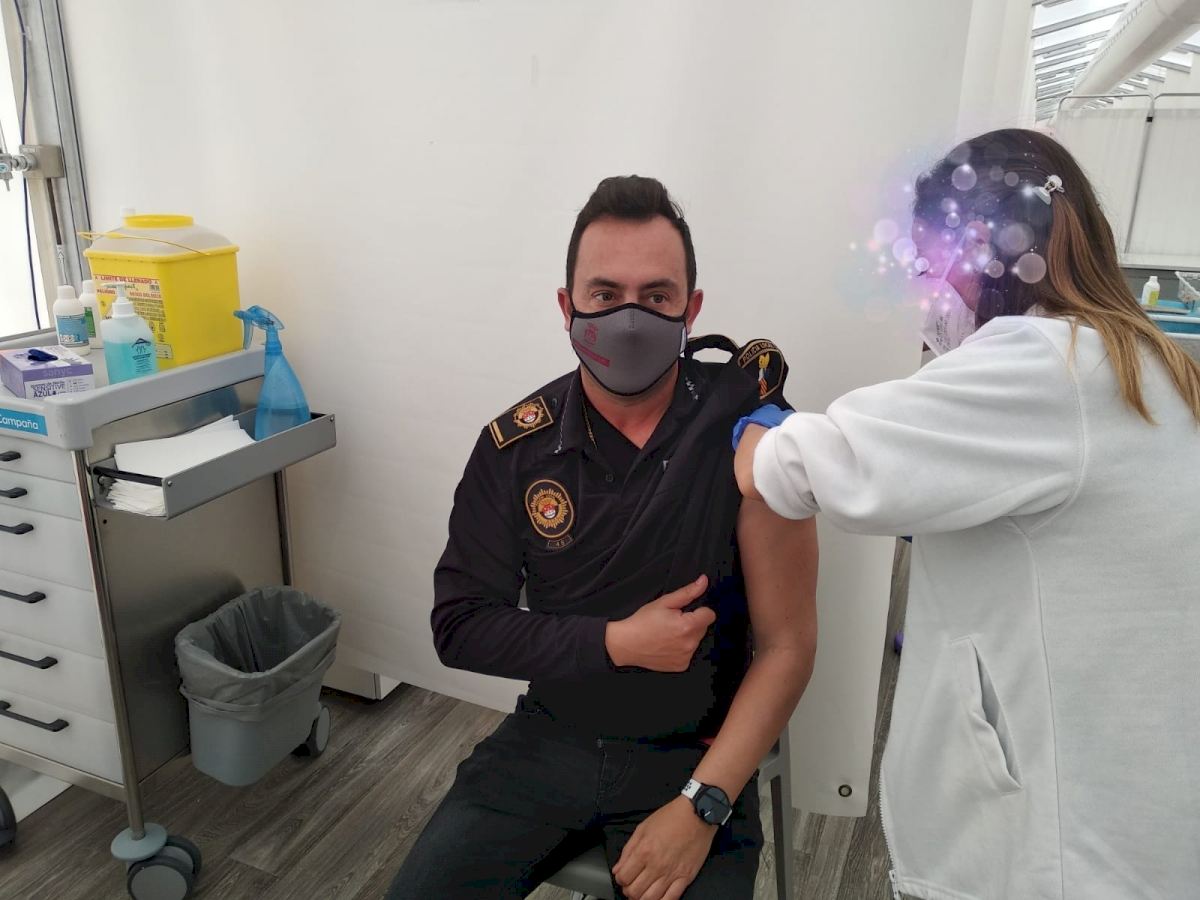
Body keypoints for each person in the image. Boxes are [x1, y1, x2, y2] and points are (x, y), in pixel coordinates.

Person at [734, 128, 1200, 900]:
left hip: (1056, 855)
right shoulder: (1150, 364)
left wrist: (752, 430)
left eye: (933, 265)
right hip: (1138, 813)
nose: (930, 295)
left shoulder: (1044, 365)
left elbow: (807, 467)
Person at [388, 176, 819, 900]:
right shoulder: (514, 449)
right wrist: (616, 642)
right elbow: (459, 628)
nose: (629, 319)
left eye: (656, 296)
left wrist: (702, 804)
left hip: (695, 754)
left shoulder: (748, 432)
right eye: (604, 293)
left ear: (691, 309)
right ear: (567, 306)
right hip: (547, 738)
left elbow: (788, 646)